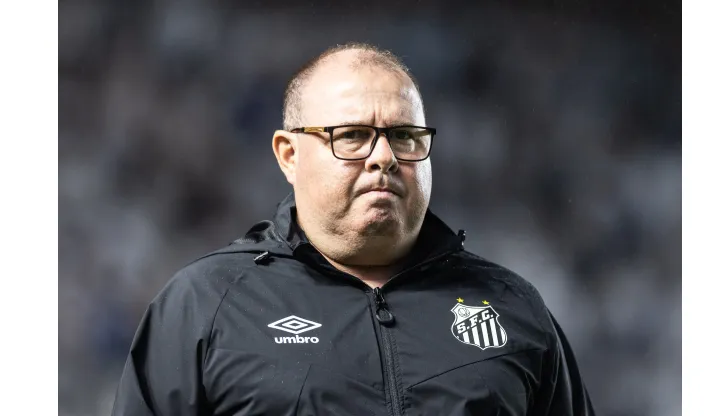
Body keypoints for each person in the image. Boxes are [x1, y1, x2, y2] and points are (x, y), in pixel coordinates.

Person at [112, 42, 596, 416]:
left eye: (404, 136)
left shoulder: (513, 307)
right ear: (289, 154)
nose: (383, 157)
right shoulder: (205, 305)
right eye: (352, 136)